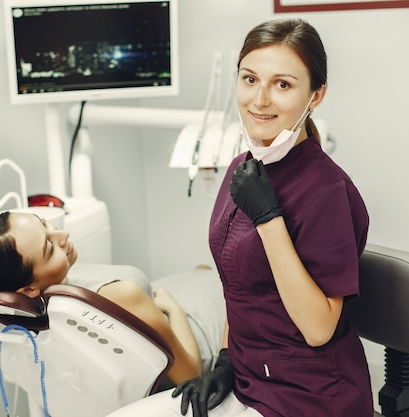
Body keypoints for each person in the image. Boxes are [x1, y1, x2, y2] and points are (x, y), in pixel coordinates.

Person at [106, 18, 373, 417]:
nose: (259, 99)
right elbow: (239, 283)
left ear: (315, 96)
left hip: (309, 396)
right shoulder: (242, 169)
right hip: (247, 379)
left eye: (282, 84)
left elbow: (319, 329)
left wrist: (268, 219)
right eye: (249, 79)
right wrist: (226, 359)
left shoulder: (327, 192)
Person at [0, 210, 226, 385]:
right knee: (217, 276)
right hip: (199, 333)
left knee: (201, 271)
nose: (63, 234)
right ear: (26, 290)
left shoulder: (30, 308)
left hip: (167, 305)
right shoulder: (120, 295)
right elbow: (191, 373)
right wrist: (174, 308)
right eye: (49, 248)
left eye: (44, 223)